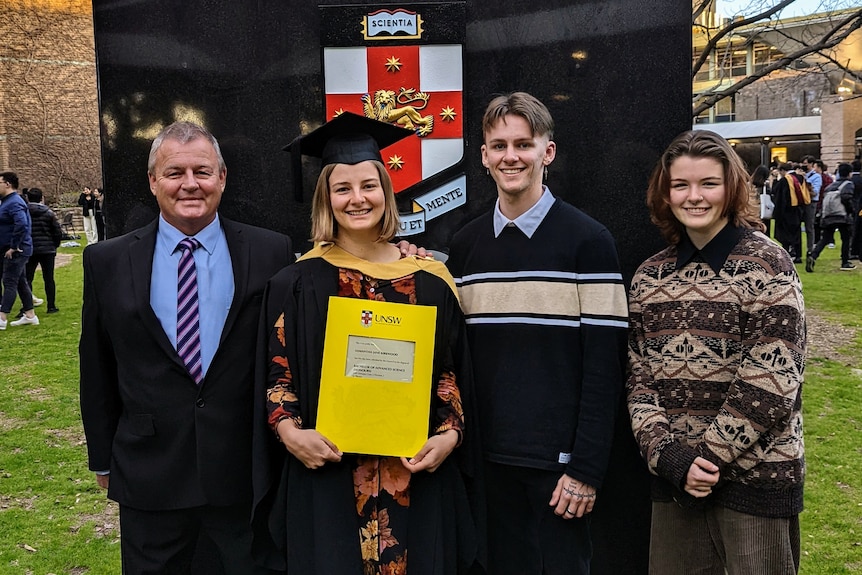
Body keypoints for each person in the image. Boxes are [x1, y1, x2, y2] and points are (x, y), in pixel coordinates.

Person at [252, 112, 484, 575]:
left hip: (416, 475)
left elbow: (450, 372)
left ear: (386, 191)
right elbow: (279, 374)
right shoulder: (297, 284)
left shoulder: (430, 281)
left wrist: (451, 433)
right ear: (326, 198)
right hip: (328, 475)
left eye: (368, 186)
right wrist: (290, 432)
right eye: (342, 188)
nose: (357, 199)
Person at [78, 122, 295, 575]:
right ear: (153, 181)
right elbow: (96, 365)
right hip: (149, 471)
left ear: (223, 177)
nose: (190, 184)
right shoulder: (107, 260)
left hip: (242, 472)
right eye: (175, 172)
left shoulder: (270, 251)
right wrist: (101, 456)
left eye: (202, 170)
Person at [445, 92, 628, 575]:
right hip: (485, 460)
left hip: (559, 468)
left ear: (547, 152)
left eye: (524, 144)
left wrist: (585, 468)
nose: (511, 156)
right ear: (483, 156)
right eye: (499, 145)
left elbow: (605, 368)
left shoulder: (588, 242)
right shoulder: (464, 247)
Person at [627, 129, 805, 574]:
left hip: (755, 482)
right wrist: (670, 458)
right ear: (664, 193)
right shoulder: (649, 278)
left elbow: (772, 379)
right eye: (681, 185)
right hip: (673, 480)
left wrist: (706, 460)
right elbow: (637, 378)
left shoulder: (769, 265)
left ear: (732, 187)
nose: (695, 197)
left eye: (709, 183)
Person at [0, 171, 39, 330]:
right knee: (21, 282)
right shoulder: (6, 202)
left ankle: (2, 318)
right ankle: (30, 315)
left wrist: (14, 246)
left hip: (17, 250)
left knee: (9, 281)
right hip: (13, 248)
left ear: (7, 184)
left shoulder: (14, 202)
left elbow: (22, 225)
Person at [806, 162, 856, 272]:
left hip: (828, 215)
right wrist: (851, 211)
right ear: (849, 173)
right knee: (846, 238)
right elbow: (846, 198)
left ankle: (813, 255)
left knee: (825, 238)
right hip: (842, 215)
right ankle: (845, 261)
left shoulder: (830, 186)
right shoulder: (848, 184)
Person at [24, 188, 63, 313]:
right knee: (49, 278)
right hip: (47, 249)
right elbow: (57, 231)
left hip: (30, 248)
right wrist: (54, 245)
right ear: (42, 198)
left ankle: (27, 305)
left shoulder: (24, 212)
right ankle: (51, 305)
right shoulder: (49, 213)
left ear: (28, 198)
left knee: (28, 278)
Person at [771, 162, 804, 261]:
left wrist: (775, 181)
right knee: (797, 233)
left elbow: (778, 195)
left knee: (785, 234)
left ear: (782, 170)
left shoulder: (784, 180)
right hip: (798, 210)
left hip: (786, 211)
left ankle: (787, 253)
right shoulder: (800, 178)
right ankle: (798, 255)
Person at [800, 156, 821, 257]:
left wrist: (806, 183)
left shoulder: (816, 176)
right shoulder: (800, 175)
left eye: (806, 163)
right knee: (796, 226)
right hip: (800, 203)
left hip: (811, 203)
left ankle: (810, 249)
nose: (804, 166)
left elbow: (815, 192)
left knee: (809, 227)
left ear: (812, 164)